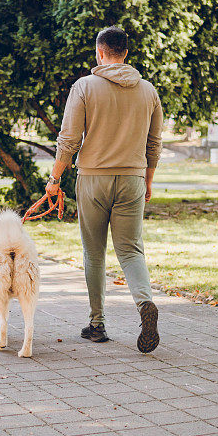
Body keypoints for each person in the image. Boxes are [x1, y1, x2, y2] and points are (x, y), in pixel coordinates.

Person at [45, 26, 163, 353]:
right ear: (125, 53)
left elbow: (69, 139)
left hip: (93, 179)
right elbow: (154, 144)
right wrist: (148, 179)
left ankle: (97, 324)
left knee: (94, 252)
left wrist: (54, 180)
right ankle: (145, 304)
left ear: (100, 52)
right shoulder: (148, 91)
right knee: (131, 250)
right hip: (133, 179)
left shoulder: (84, 86)